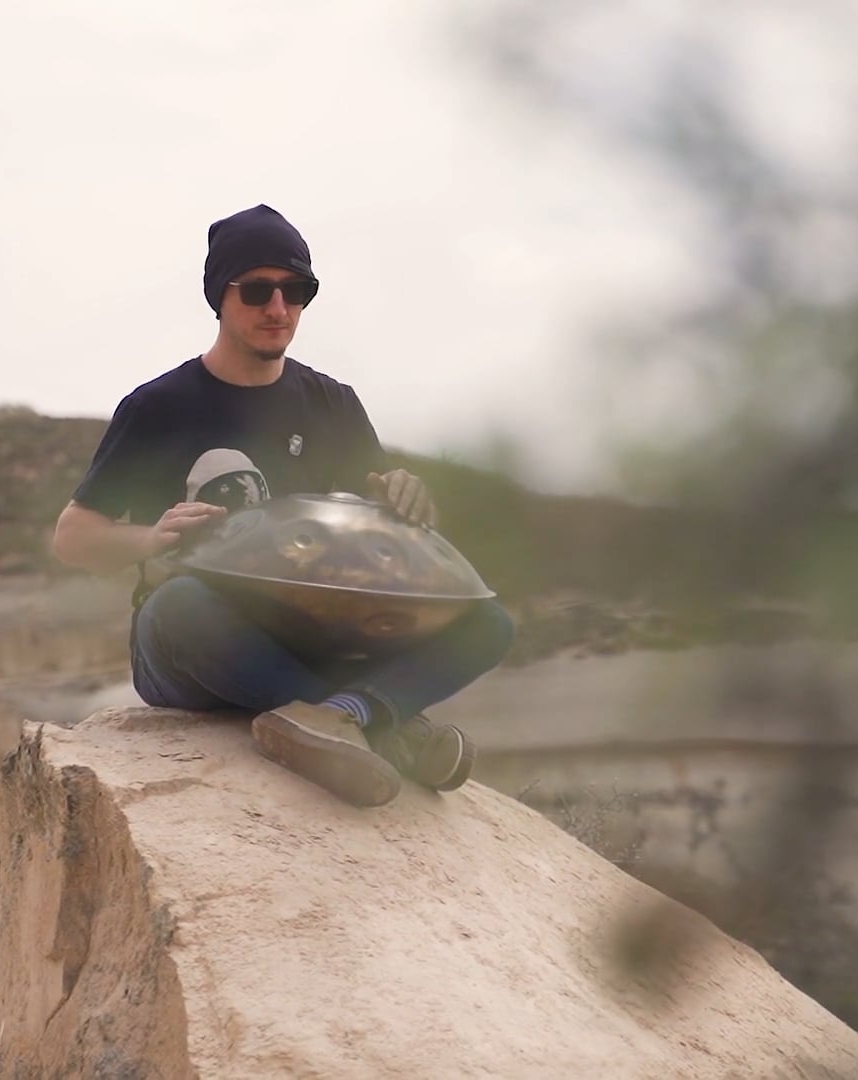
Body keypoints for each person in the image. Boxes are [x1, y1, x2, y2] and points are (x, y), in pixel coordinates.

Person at [50, 204, 514, 808]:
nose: (279, 309)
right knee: (181, 605)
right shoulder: (159, 407)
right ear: (220, 298)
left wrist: (406, 499)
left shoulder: (332, 404)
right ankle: (388, 725)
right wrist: (150, 539)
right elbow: (72, 537)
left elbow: (380, 535)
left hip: (313, 631)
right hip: (196, 641)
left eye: (297, 291)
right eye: (259, 291)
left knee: (488, 621)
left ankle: (345, 717)